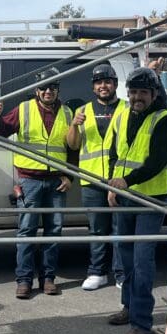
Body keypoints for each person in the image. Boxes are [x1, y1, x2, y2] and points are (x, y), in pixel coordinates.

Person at [0, 67, 75, 299]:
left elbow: (73, 148)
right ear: (36, 90)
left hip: (57, 181)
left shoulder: (68, 113)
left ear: (58, 90)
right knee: (27, 232)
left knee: (54, 232)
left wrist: (70, 176)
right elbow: (2, 132)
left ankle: (48, 279)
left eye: (53, 87)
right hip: (30, 181)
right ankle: (24, 280)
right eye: (44, 87)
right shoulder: (24, 109)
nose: (48, 91)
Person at [104, 67, 167, 334]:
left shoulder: (163, 119)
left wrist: (126, 180)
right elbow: (114, 153)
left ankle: (141, 323)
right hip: (125, 196)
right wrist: (112, 184)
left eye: (143, 92)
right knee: (126, 258)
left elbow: (158, 161)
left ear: (154, 94)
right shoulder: (122, 115)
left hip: (150, 199)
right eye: (133, 92)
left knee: (143, 263)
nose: (137, 97)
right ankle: (129, 307)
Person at [65, 63, 125, 291]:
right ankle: (97, 272)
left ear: (115, 85)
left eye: (108, 82)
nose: (103, 86)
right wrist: (73, 125)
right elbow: (73, 144)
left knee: (120, 229)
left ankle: (121, 273)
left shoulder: (126, 108)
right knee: (97, 229)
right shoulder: (83, 111)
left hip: (119, 179)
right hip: (91, 179)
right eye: (99, 82)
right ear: (93, 87)